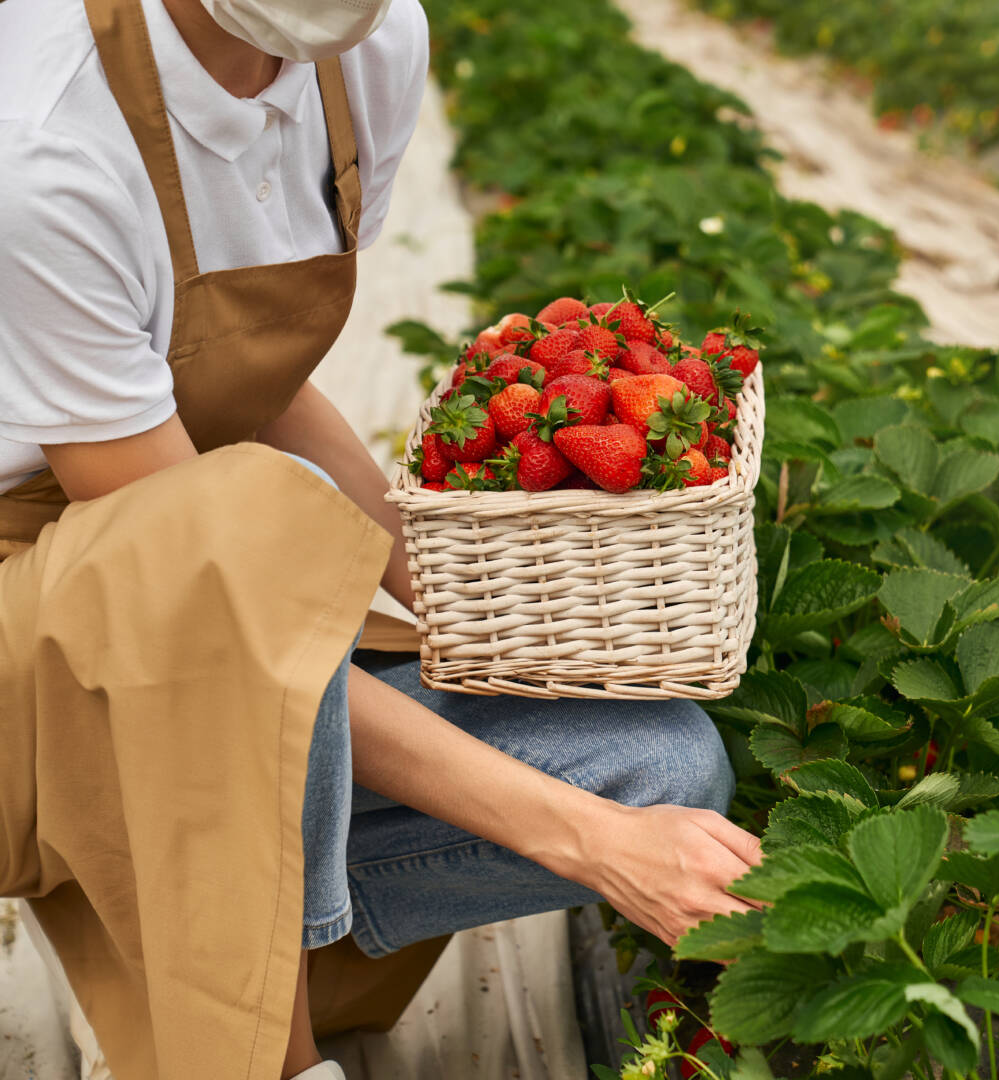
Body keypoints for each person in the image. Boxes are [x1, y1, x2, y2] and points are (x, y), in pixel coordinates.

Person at [0, 0, 763, 1077]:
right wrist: (579, 838)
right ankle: (243, 1041)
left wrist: (473, 607)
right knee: (253, 518)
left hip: (202, 574)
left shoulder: (365, 47)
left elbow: (245, 379)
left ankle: (178, 949)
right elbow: (208, 591)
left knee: (653, 766)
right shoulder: (41, 138)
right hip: (33, 645)